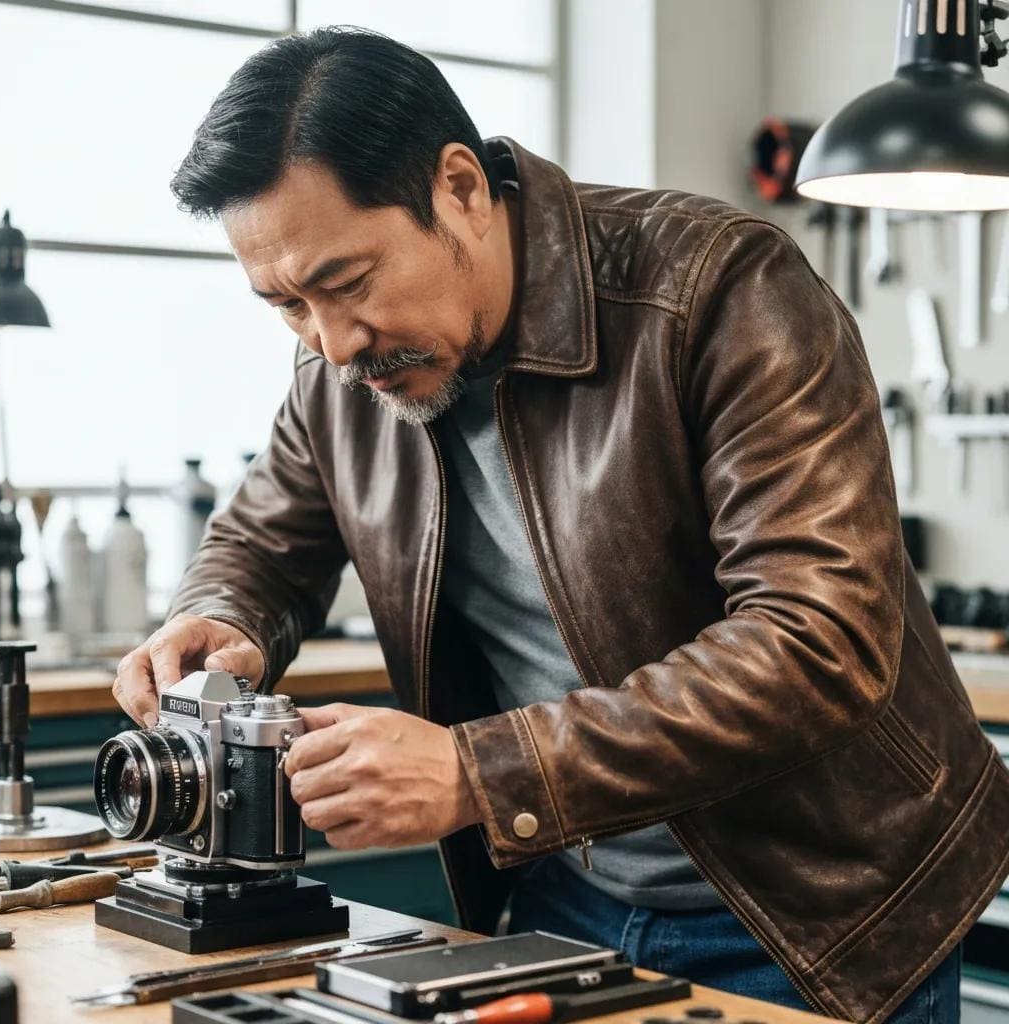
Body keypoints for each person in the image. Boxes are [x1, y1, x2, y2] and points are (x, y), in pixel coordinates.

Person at [112, 27, 1008, 1024]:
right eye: (285, 305)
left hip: (819, 908)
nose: (331, 341)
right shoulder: (341, 374)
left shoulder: (719, 289)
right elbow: (262, 543)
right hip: (559, 896)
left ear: (459, 187)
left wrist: (474, 769)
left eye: (349, 282)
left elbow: (815, 641)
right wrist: (218, 616)